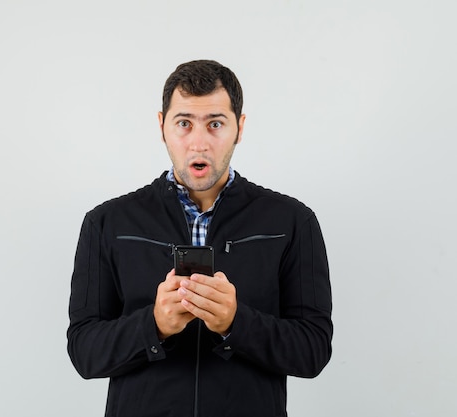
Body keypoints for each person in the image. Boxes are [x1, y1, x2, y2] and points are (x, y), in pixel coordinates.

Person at [67, 59, 333, 417]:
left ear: (239, 128)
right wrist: (154, 325)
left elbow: (313, 350)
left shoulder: (293, 221)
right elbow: (85, 352)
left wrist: (236, 323)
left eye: (215, 124)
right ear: (162, 126)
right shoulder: (106, 223)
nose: (199, 142)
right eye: (184, 124)